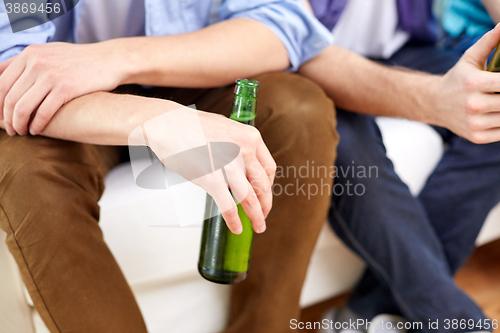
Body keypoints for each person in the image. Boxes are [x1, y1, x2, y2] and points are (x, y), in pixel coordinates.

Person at [0, 1, 340, 332]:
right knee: (24, 169)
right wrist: (157, 122)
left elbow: (280, 23)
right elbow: (9, 79)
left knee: (299, 111)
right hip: (74, 105)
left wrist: (115, 58)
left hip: (186, 78)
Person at [298, 0, 500, 332]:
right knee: (346, 148)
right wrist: (437, 99)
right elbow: (299, 41)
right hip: (307, 60)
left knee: (494, 113)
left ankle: (367, 310)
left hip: (402, 49)